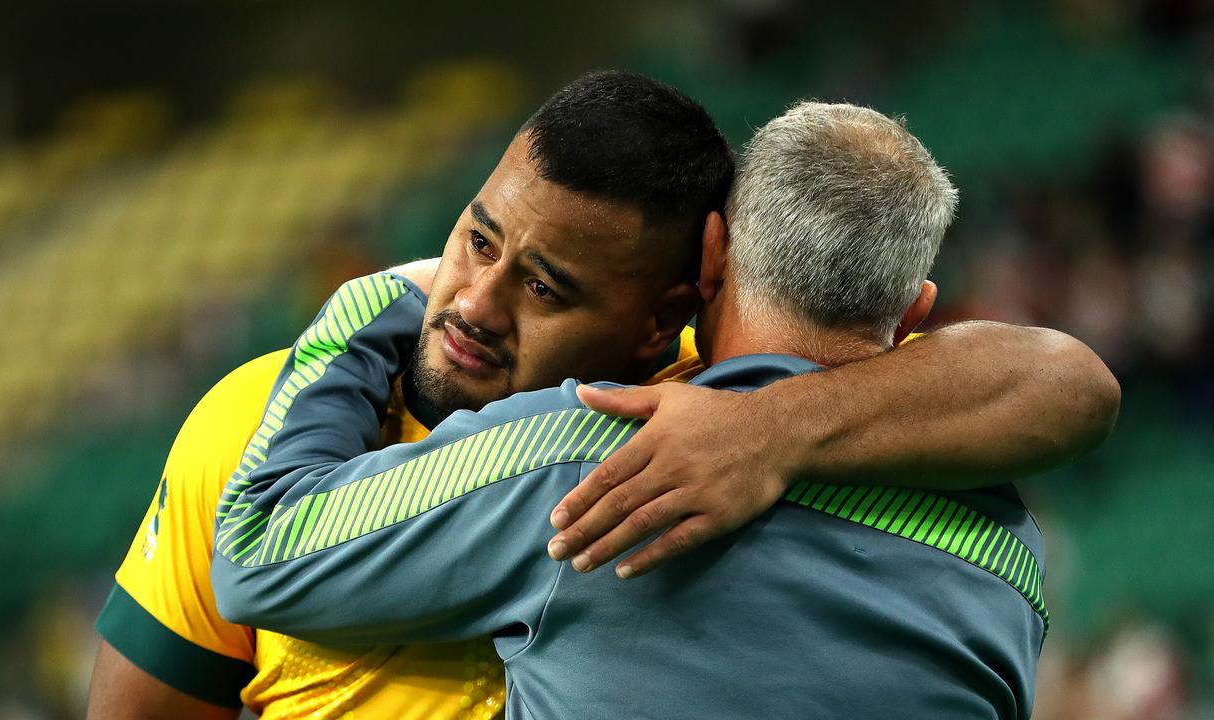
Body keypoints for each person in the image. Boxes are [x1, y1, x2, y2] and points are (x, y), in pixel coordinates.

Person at [90, 73, 1117, 718]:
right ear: (917, 309)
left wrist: (370, 296)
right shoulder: (1004, 556)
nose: (474, 303)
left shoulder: (605, 459)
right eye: (474, 240)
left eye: (545, 287)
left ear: (690, 282)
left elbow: (259, 549)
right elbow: (1066, 381)